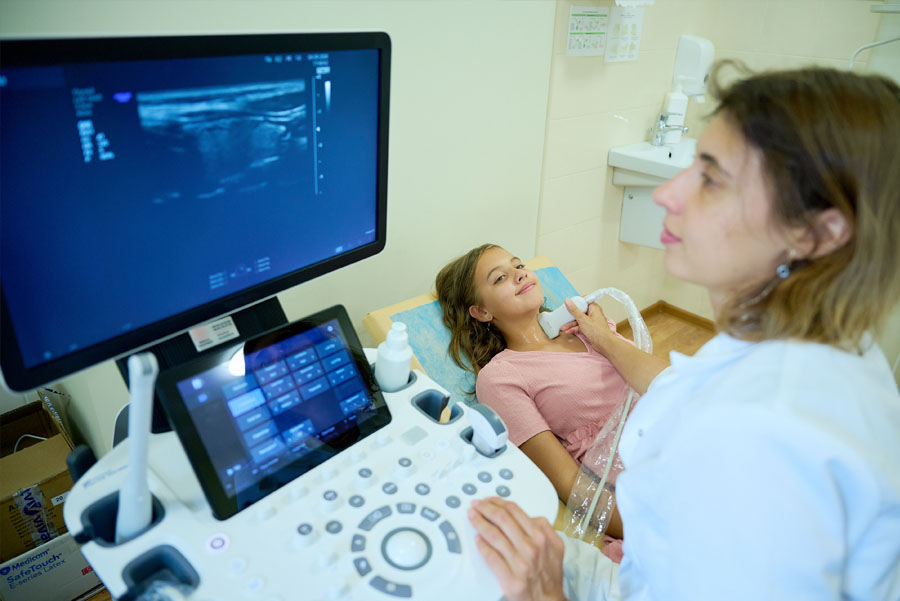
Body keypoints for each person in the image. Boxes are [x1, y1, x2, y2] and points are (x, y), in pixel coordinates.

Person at [466, 65, 900, 601]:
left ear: (813, 233)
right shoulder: (794, 351)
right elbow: (681, 388)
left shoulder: (769, 442)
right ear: (479, 312)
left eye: (712, 178)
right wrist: (605, 340)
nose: (668, 193)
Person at [434, 246, 667, 532]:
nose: (519, 276)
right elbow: (570, 484)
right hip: (646, 485)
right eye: (499, 278)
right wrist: (650, 531)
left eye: (518, 266)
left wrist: (605, 338)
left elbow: (666, 387)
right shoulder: (501, 377)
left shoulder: (589, 328)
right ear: (482, 312)